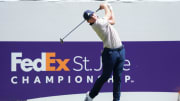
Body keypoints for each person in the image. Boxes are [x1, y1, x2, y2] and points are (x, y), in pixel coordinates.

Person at [83, 3, 125, 101]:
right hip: (110, 53)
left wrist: (111, 9)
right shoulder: (97, 24)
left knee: (118, 78)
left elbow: (113, 21)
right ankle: (90, 96)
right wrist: (105, 6)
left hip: (121, 50)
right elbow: (108, 15)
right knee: (105, 76)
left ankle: (116, 99)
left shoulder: (101, 21)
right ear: (89, 21)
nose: (93, 16)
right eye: (90, 17)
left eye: (93, 14)